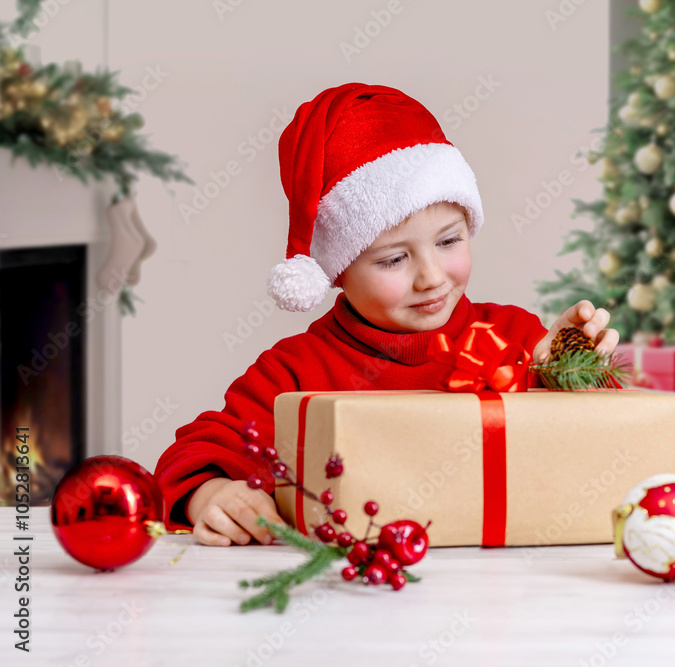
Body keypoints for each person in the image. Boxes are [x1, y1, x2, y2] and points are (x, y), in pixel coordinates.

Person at [153, 83, 620, 546]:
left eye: (449, 241)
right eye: (394, 260)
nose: (432, 277)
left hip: (497, 593)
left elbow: (597, 448)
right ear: (338, 270)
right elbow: (196, 452)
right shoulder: (297, 372)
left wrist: (561, 370)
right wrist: (212, 493)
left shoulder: (513, 337)